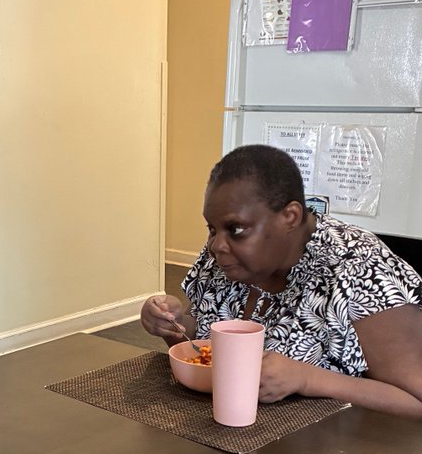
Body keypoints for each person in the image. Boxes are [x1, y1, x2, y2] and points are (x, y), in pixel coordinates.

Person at [141, 144, 422, 417]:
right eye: (212, 229)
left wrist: (308, 379)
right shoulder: (225, 255)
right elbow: (205, 347)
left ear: (290, 216)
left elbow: (415, 402)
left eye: (236, 228)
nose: (216, 245)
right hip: (227, 436)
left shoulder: (357, 267)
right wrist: (173, 326)